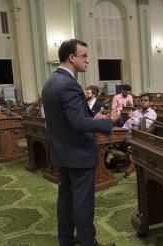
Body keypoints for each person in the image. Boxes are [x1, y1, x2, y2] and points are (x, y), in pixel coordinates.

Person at [42, 39, 117, 246]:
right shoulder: (69, 84)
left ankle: (65, 240)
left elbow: (68, 120)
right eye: (84, 56)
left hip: (61, 152)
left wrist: (93, 119)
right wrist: (108, 122)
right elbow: (77, 122)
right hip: (78, 154)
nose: (87, 60)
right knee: (83, 203)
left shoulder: (51, 81)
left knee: (65, 199)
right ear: (71, 57)